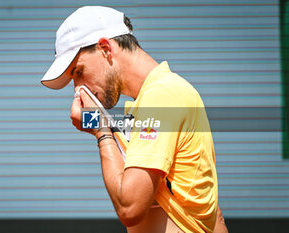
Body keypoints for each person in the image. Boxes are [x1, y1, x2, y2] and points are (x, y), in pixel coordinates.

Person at [41, 6, 228, 233]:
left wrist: (101, 132)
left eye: (78, 72)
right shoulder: (151, 101)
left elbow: (129, 208)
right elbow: (210, 210)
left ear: (105, 49)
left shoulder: (161, 98)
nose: (78, 90)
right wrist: (97, 124)